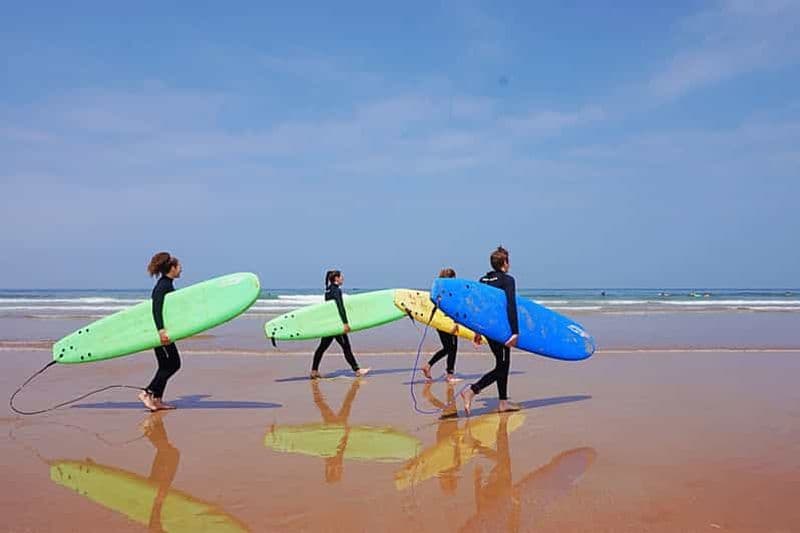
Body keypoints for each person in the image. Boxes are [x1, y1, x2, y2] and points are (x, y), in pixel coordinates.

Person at [461, 246, 520, 414]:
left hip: (487, 328)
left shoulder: (483, 280)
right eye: (508, 261)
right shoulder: (508, 280)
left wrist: (477, 331)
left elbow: (479, 308)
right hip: (502, 329)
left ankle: (503, 402)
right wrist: (515, 332)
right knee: (502, 367)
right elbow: (511, 305)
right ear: (504, 262)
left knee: (503, 363)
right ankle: (472, 390)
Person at [139, 252, 183, 411]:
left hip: (162, 330)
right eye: (179, 267)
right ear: (171, 268)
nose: (181, 270)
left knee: (165, 365)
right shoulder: (163, 286)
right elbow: (156, 309)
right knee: (174, 364)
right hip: (159, 332)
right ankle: (147, 392)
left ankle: (157, 399)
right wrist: (161, 330)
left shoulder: (167, 284)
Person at [310, 270, 370, 379]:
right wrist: (345, 323)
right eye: (341, 277)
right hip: (337, 325)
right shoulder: (337, 290)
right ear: (336, 278)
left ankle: (314, 371)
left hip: (330, 324)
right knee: (346, 347)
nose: (343, 278)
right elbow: (340, 307)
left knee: (322, 348)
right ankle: (357, 370)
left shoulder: (328, 290)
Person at [422, 268, 461, 384]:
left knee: (447, 349)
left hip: (439, 323)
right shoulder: (449, 292)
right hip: (448, 323)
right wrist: (456, 323)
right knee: (452, 349)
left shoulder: (437, 291)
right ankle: (449, 376)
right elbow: (452, 310)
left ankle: (428, 366)